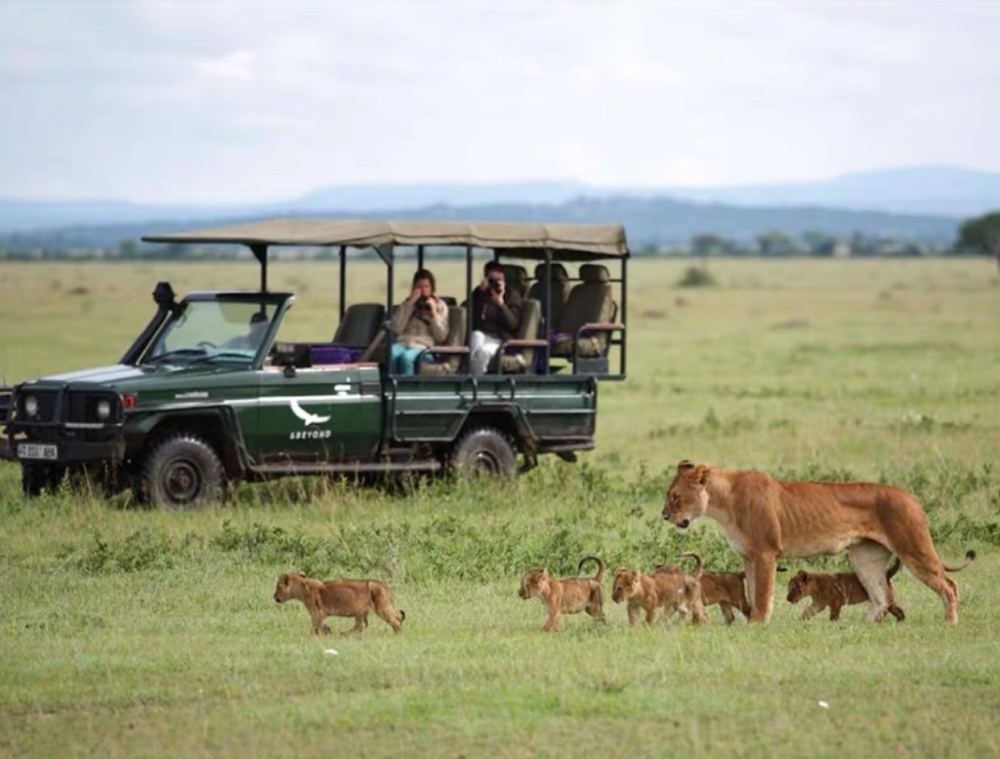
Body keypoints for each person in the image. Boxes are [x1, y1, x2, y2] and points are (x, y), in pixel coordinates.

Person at [390, 269, 449, 375]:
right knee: (392, 354)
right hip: (403, 342)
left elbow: (441, 336)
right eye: (419, 287)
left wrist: (434, 314)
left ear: (432, 288)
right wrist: (410, 304)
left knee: (406, 358)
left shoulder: (439, 306)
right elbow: (396, 328)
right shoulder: (407, 304)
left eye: (427, 287)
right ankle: (392, 388)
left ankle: (407, 389)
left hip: (423, 346)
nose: (423, 290)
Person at [469, 260, 522, 375]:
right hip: (483, 335)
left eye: (499, 280)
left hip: (502, 340)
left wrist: (501, 303)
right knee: (475, 336)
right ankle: (471, 374)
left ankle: (477, 382)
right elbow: (472, 321)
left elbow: (513, 325)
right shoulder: (480, 294)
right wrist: (481, 295)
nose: (496, 283)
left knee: (483, 351)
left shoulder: (511, 295)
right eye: (492, 280)